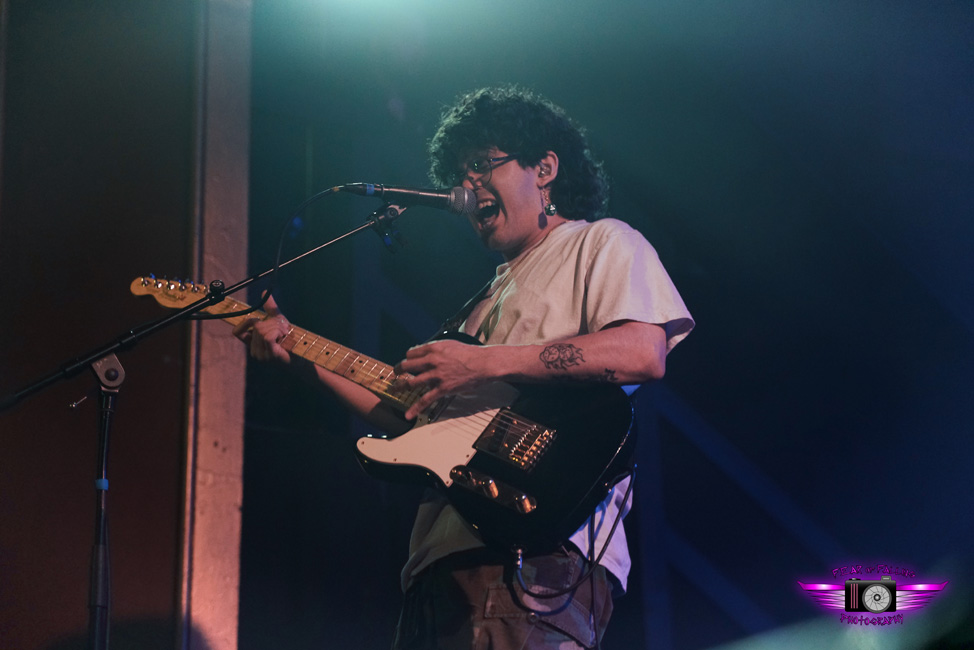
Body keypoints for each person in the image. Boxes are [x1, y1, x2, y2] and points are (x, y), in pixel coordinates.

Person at [236, 86, 694, 649]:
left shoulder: (601, 242)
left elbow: (642, 352)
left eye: (481, 164)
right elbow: (407, 410)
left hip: (535, 552)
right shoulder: (482, 301)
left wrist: (482, 363)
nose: (466, 184)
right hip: (439, 562)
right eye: (460, 172)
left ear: (544, 168)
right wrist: (299, 356)